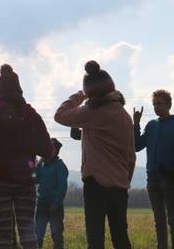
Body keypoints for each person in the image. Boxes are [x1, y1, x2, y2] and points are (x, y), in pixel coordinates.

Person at [54, 60, 135, 249]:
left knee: (95, 238)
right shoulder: (124, 116)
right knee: (121, 237)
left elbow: (60, 115)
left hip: (96, 183)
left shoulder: (92, 112)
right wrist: (126, 180)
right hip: (120, 184)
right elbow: (131, 156)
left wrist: (79, 96)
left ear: (91, 93)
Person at [0, 64, 54, 249]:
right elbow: (48, 151)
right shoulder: (32, 116)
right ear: (19, 89)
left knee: (2, 233)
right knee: (28, 233)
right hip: (26, 182)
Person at [133, 89, 174, 249]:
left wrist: (173, 171)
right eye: (154, 104)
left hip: (169, 178)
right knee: (158, 220)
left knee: (173, 219)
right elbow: (137, 146)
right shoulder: (151, 125)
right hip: (152, 178)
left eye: (159, 103)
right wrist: (136, 124)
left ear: (169, 104)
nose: (156, 107)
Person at [35, 138, 68, 249]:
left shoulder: (60, 166)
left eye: (52, 149)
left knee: (56, 234)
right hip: (41, 204)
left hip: (55, 205)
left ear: (56, 151)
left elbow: (62, 187)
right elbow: (35, 179)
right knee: (38, 234)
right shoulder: (42, 166)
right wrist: (38, 164)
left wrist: (56, 203)